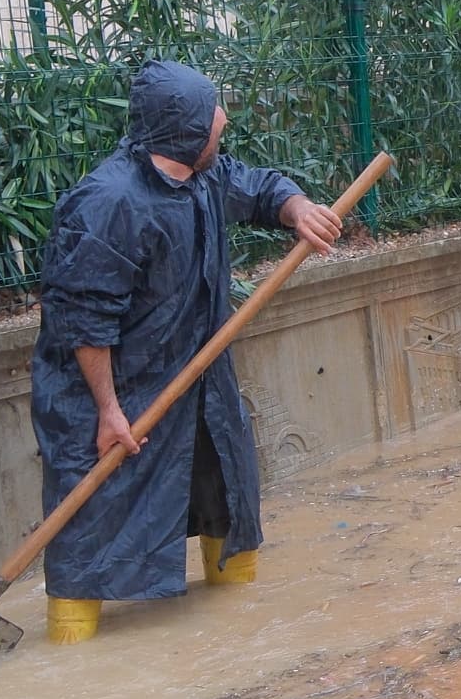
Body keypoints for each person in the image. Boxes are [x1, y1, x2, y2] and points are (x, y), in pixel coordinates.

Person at [29, 60, 342, 643]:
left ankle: (240, 627)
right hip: (110, 394)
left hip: (198, 380)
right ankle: (70, 650)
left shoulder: (205, 176)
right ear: (184, 134)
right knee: (87, 526)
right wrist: (108, 410)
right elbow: (85, 322)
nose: (222, 125)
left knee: (226, 484)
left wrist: (297, 207)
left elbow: (257, 185)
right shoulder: (106, 204)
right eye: (213, 121)